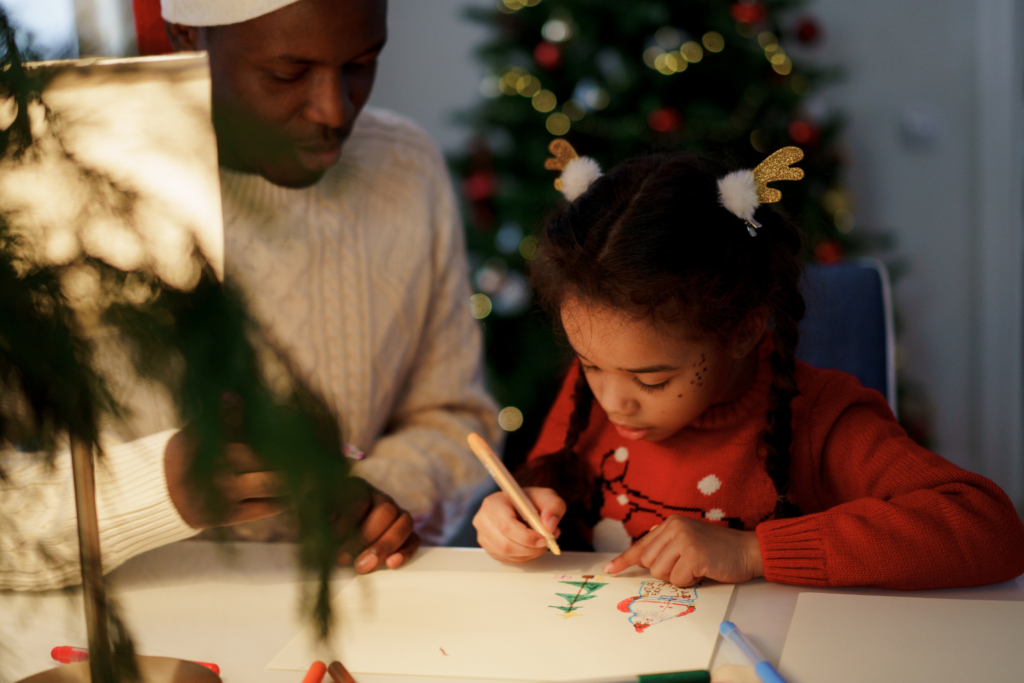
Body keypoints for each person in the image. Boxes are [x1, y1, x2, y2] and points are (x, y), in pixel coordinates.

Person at [0, 0, 500, 590]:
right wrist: (158, 489)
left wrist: (383, 500)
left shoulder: (403, 168)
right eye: (287, 74)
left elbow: (454, 413)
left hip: (353, 613)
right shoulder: (60, 185)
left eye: (363, 64)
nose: (334, 110)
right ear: (188, 34)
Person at [473, 149, 1024, 590]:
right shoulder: (589, 394)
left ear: (741, 330)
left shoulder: (819, 417)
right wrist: (513, 514)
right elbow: (539, 493)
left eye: (652, 380)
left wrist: (755, 550)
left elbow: (989, 528)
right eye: (590, 366)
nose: (614, 402)